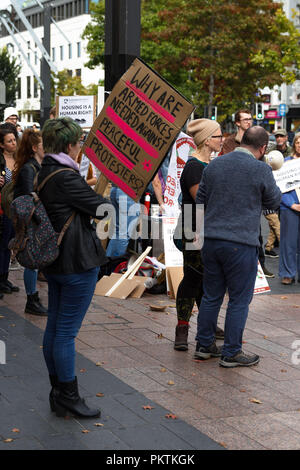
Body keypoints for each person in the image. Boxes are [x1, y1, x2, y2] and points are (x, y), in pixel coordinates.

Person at [38, 117, 111, 418]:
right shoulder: (66, 177)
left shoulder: (45, 170)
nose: (81, 147)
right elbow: (102, 209)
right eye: (79, 142)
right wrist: (107, 194)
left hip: (56, 262)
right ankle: (68, 395)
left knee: (55, 328)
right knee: (65, 333)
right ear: (69, 145)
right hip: (75, 264)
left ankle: (58, 392)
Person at [195, 126, 281, 367]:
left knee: (211, 295)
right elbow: (273, 202)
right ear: (263, 148)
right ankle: (231, 351)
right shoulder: (261, 168)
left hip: (211, 240)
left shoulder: (214, 165)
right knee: (239, 300)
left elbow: (199, 201)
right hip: (240, 243)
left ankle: (204, 345)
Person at [174, 119, 225, 351]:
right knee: (192, 278)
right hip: (192, 227)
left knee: (205, 279)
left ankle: (207, 324)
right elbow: (202, 200)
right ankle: (182, 329)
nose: (222, 140)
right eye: (218, 136)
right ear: (206, 140)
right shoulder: (195, 167)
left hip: (204, 227)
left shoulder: (208, 164)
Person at [13, 129, 48, 316]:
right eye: (43, 146)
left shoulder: (36, 165)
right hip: (29, 220)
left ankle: (33, 298)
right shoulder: (29, 168)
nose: (47, 149)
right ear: (35, 148)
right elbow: (28, 196)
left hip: (35, 218)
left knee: (34, 261)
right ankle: (31, 299)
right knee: (31, 262)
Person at [0, 128, 20, 294]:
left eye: (14, 140)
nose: (13, 143)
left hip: (15, 207)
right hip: (2, 208)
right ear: (2, 144)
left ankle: (5, 278)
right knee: (2, 244)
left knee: (9, 244)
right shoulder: (1, 161)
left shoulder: (20, 159)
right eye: (9, 141)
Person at [279, 132, 300, 285]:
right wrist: (292, 204)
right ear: (294, 145)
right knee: (288, 243)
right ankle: (288, 273)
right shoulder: (285, 163)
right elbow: (278, 187)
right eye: (298, 142)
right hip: (289, 207)